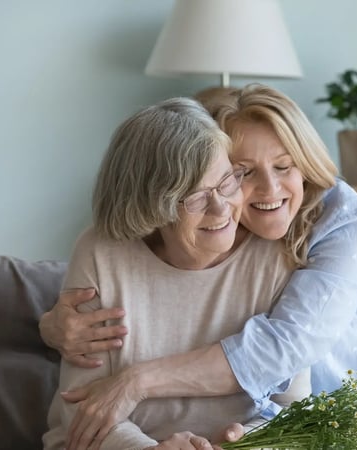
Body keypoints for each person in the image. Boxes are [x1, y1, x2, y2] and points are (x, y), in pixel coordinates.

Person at [41, 85, 357, 450]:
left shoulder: (338, 222)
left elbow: (281, 352)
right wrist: (50, 325)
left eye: (284, 166)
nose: (269, 189)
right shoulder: (111, 249)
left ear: (304, 163)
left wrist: (136, 382)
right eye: (244, 172)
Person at [42, 96, 312, 450]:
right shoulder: (101, 253)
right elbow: (82, 410)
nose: (221, 208)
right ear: (152, 204)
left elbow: (293, 408)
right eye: (196, 197)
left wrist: (242, 444)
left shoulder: (276, 254)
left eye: (227, 182)